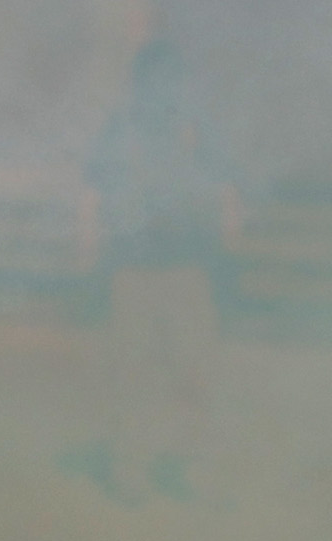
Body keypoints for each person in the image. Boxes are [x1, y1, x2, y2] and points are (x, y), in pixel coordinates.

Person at [83, 40, 237, 503]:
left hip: (185, 270)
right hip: (135, 270)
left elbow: (225, 185)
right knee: (135, 375)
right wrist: (90, 241)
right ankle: (132, 471)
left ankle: (192, 470)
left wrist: (226, 233)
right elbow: (93, 188)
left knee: (193, 375)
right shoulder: (122, 128)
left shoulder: (194, 129)